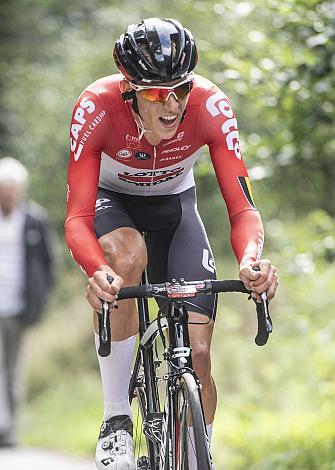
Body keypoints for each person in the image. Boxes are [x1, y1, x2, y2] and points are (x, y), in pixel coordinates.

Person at [65, 18, 278, 469]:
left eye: (180, 90)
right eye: (157, 94)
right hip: (112, 204)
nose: (173, 105)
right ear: (129, 90)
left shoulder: (210, 105)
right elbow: (78, 217)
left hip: (175, 208)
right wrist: (95, 270)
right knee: (125, 256)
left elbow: (242, 208)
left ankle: (198, 456)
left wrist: (251, 261)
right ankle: (117, 420)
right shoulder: (97, 107)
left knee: (198, 353)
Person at [0, 157, 54, 447]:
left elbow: (47, 264)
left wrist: (39, 301)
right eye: (4, 191)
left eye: (13, 190)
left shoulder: (34, 220)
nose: (9, 196)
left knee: (13, 370)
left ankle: (9, 429)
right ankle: (2, 424)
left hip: (19, 308)